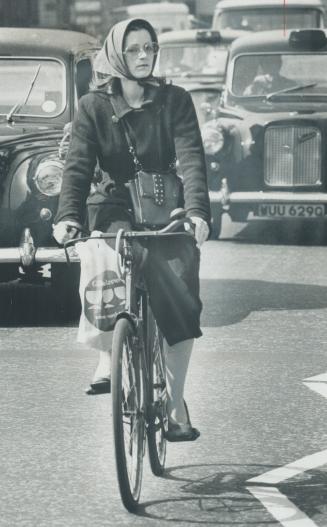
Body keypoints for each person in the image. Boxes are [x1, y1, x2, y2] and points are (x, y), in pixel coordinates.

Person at [53, 18, 210, 442]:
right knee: (101, 254)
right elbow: (78, 167)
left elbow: (192, 158)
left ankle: (175, 405)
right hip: (112, 205)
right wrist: (67, 216)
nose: (144, 57)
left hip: (164, 209)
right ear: (117, 55)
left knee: (181, 295)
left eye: (149, 48)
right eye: (135, 49)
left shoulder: (175, 100)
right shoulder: (92, 106)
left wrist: (197, 212)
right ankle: (110, 350)